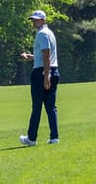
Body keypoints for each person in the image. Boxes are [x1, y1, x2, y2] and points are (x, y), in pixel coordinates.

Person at [18, 10, 58, 146]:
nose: (34, 22)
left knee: (37, 106)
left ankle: (32, 138)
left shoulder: (42, 34)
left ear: (43, 20)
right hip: (52, 69)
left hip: (42, 72)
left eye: (36, 19)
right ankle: (54, 137)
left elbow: (46, 55)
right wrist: (32, 57)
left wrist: (46, 76)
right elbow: (45, 56)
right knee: (51, 106)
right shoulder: (50, 33)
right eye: (33, 19)